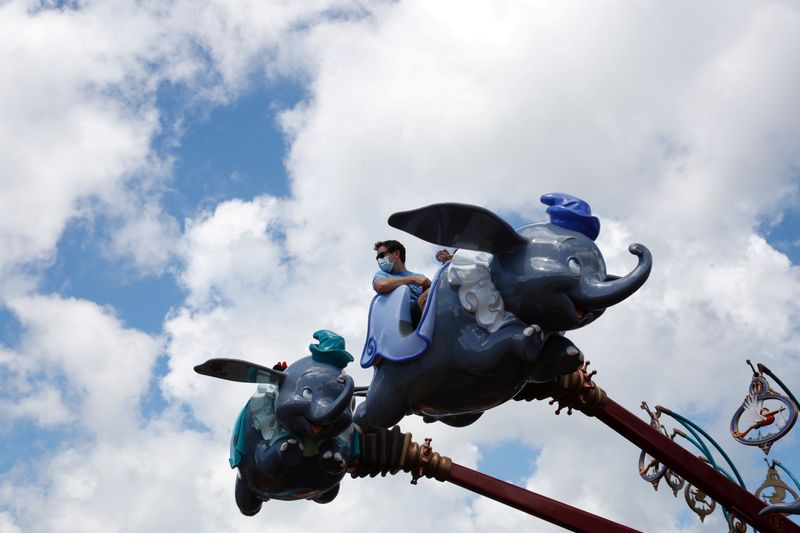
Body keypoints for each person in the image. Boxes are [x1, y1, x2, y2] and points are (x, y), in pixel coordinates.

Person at [373, 240, 432, 323]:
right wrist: (412, 280)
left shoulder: (420, 276)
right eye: (377, 258)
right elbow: (380, 285)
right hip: (402, 319)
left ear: (396, 254)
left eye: (382, 255)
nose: (379, 260)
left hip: (424, 312)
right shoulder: (382, 275)